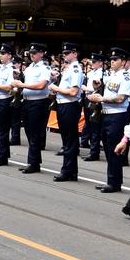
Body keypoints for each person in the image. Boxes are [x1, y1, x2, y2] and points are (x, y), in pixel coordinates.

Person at [88, 47, 130, 193]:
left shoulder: (126, 77)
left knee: (114, 149)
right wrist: (97, 89)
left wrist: (102, 98)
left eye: (115, 59)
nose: (112, 62)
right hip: (107, 114)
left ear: (123, 62)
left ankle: (114, 182)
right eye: (111, 60)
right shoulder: (111, 75)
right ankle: (111, 179)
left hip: (117, 115)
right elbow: (103, 89)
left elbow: (120, 98)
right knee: (107, 147)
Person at [50, 41, 84, 182]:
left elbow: (73, 91)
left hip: (70, 105)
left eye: (67, 53)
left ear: (74, 54)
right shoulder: (68, 68)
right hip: (64, 105)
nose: (65, 55)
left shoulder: (76, 68)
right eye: (64, 53)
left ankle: (68, 171)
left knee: (69, 140)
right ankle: (71, 171)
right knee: (67, 140)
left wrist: (56, 89)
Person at [14, 42, 51, 174]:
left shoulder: (44, 68)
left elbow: (41, 85)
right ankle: (35, 161)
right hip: (27, 101)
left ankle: (33, 163)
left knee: (35, 133)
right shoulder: (29, 68)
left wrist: (23, 85)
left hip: (38, 102)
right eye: (30, 53)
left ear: (41, 53)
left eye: (34, 53)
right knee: (29, 132)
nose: (32, 55)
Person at [81, 52, 105, 162]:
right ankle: (92, 149)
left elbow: (96, 89)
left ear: (100, 63)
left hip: (94, 100)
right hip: (87, 99)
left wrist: (86, 88)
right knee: (89, 125)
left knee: (95, 127)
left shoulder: (102, 74)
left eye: (94, 62)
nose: (92, 64)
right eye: (92, 62)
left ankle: (94, 152)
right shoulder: (92, 72)